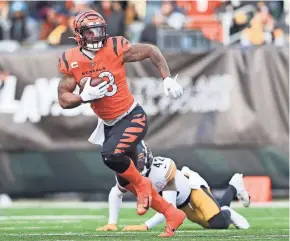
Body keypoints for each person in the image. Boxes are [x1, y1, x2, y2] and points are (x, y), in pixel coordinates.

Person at [57, 10, 185, 237]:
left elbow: (151, 50)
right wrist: (82, 98)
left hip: (131, 116)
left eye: (99, 30)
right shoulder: (72, 60)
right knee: (127, 183)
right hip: (108, 125)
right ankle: (172, 214)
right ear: (79, 34)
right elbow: (64, 99)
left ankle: (145, 185)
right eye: (90, 31)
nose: (96, 36)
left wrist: (165, 77)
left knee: (110, 155)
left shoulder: (115, 46)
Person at [97, 141, 250, 232]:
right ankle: (232, 191)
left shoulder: (161, 172)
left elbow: (168, 208)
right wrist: (112, 223)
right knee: (212, 225)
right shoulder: (125, 177)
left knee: (219, 224)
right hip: (181, 205)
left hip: (193, 190)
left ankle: (233, 188)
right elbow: (115, 193)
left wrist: (146, 226)